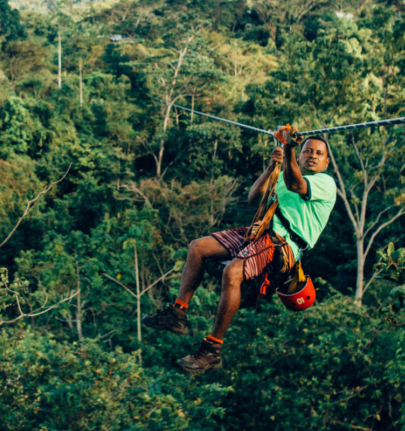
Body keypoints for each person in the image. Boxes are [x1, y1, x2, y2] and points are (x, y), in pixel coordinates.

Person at [142, 127, 337, 374]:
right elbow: (254, 197)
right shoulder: (285, 174)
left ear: (326, 161)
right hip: (259, 231)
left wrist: (289, 147)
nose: (312, 155)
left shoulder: (325, 183)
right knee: (197, 248)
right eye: (307, 150)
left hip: (282, 245)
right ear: (299, 156)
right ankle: (177, 313)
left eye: (318, 153)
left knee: (232, 273)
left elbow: (296, 183)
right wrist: (271, 167)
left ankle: (212, 349)